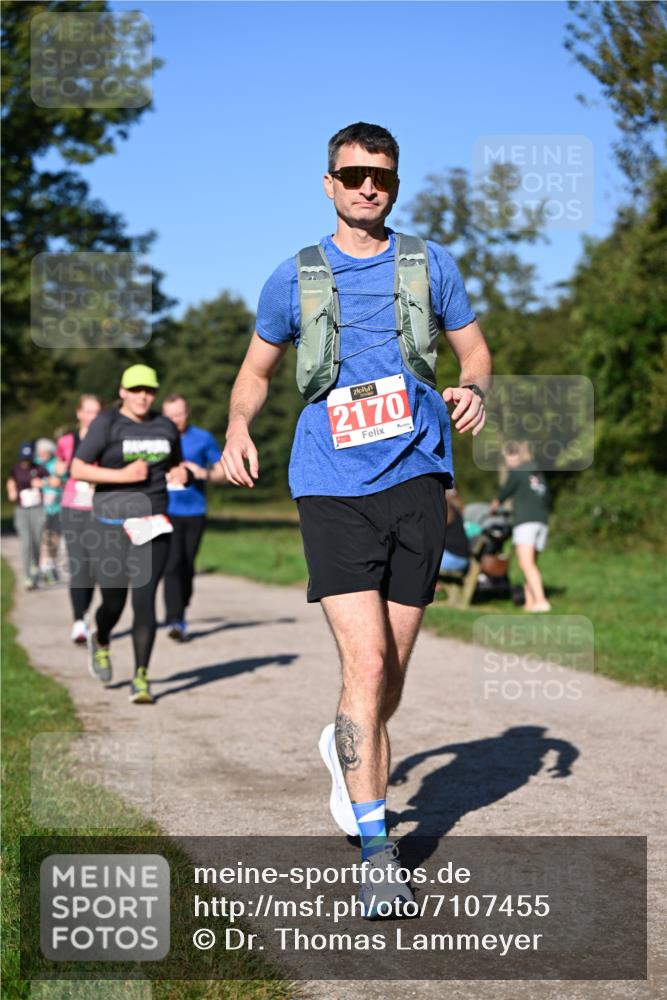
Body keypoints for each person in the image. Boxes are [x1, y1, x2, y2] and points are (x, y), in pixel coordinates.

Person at [221, 122, 491, 917]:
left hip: (417, 478)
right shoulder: (294, 277)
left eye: (381, 176)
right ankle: (379, 852)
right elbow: (255, 371)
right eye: (352, 174)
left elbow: (473, 352)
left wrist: (475, 387)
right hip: (331, 483)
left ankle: (344, 739)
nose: (367, 186)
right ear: (329, 182)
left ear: (395, 184)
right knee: (368, 667)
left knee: (388, 675)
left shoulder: (429, 265)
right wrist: (238, 426)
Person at [70, 365, 193, 704]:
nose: (143, 396)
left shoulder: (165, 426)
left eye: (149, 390)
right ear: (122, 391)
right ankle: (103, 638)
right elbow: (77, 468)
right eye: (136, 389)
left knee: (144, 602)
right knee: (113, 600)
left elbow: (173, 465)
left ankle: (141, 677)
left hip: (153, 522)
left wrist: (180, 471)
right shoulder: (106, 424)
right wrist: (123, 476)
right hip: (109, 524)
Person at [161, 394, 224, 641]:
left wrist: (203, 473)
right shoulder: (157, 438)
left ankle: (182, 607)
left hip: (194, 511)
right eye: (170, 416)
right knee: (172, 563)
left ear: (187, 413)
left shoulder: (202, 438)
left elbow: (222, 473)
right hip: (166, 510)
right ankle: (174, 620)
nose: (175, 420)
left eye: (179, 414)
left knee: (186, 565)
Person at [56, 394, 102, 643]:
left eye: (97, 412)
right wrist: (58, 469)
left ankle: (84, 614)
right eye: (89, 411)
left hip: (97, 508)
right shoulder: (66, 441)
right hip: (72, 507)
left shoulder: (104, 440)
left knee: (93, 568)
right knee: (78, 565)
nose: (93, 416)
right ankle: (77, 622)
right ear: (79, 414)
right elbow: (57, 467)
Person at [490, 441, 551, 612]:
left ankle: (541, 601)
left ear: (516, 455)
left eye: (509, 455)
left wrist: (494, 505)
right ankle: (530, 603)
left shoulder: (517, 472)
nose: (507, 460)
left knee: (525, 564)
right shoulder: (537, 473)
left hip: (525, 522)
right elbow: (547, 499)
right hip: (542, 522)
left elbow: (504, 493)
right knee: (531, 564)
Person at [6, 442, 45, 590]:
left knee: (36, 541)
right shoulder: (15, 469)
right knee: (26, 542)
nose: (26, 462)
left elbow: (54, 481)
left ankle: (35, 569)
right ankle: (28, 576)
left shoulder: (39, 468)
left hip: (37, 509)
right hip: (21, 509)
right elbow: (10, 481)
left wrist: (42, 482)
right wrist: (11, 490)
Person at [33, 437, 65, 584]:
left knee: (54, 538)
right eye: (40, 453)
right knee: (44, 538)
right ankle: (44, 568)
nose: (42, 455)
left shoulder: (55, 463)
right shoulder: (36, 464)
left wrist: (45, 482)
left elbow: (60, 481)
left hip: (57, 506)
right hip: (40, 507)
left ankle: (50, 565)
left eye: (45, 452)